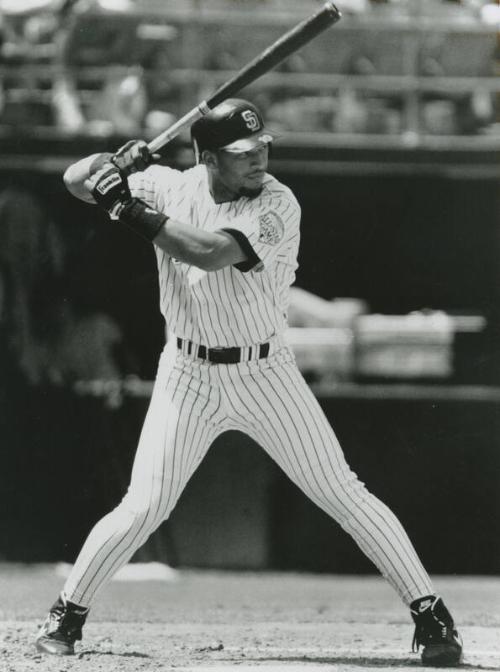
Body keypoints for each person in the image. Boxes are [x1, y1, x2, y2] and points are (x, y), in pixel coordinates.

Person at [35, 98, 463, 666]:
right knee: (144, 505)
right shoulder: (167, 184)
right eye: (242, 153)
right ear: (207, 156)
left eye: (263, 146)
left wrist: (125, 206)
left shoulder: (278, 203)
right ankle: (66, 617)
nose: (259, 158)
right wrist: (113, 162)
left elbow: (209, 253)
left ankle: (431, 615)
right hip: (186, 373)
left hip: (265, 373)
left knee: (342, 492)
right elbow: (74, 180)